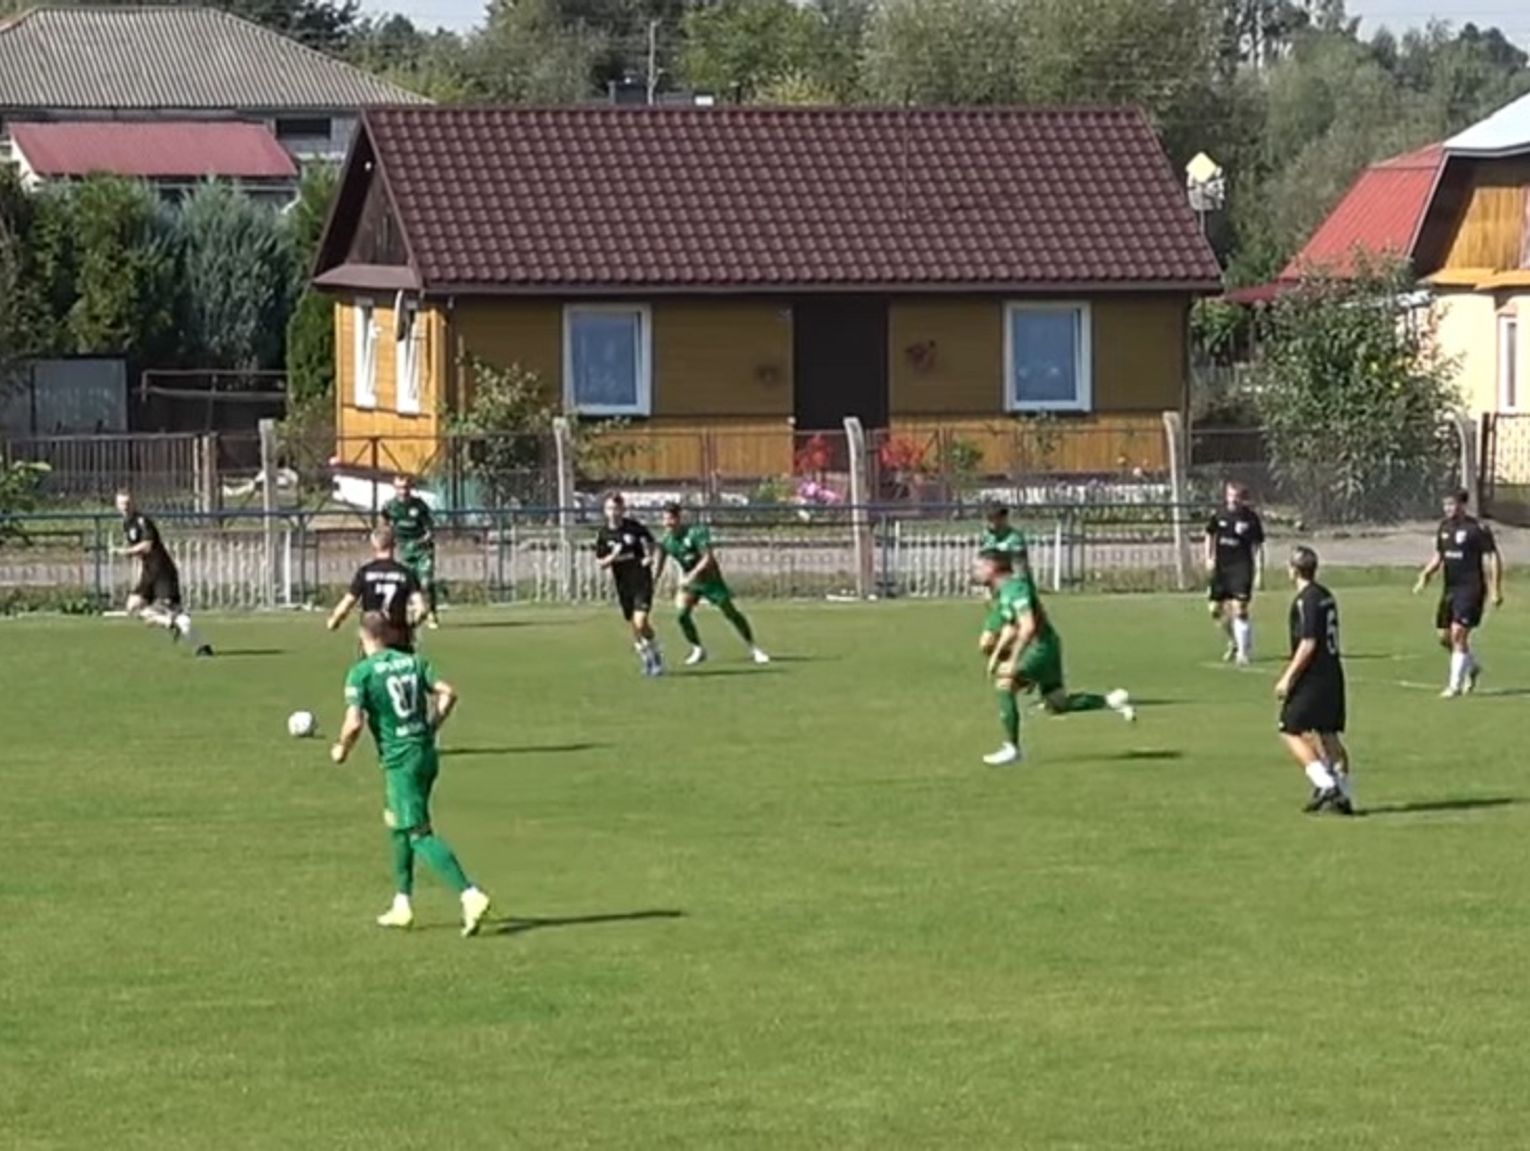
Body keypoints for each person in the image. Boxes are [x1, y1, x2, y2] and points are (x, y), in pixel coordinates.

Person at [331, 611, 492, 936]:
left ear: (363, 636)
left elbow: (354, 723)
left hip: (399, 761)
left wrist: (341, 750)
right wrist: (432, 725)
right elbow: (448, 693)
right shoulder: (414, 662)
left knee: (418, 833)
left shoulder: (361, 673)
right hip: (426, 755)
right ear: (388, 633)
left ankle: (469, 894)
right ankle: (402, 902)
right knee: (398, 822)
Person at [978, 549, 1133, 766]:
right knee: (1057, 704)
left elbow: (1028, 626)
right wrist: (996, 655)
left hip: (1041, 648)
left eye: (979, 566)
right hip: (1047, 645)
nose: (976, 571)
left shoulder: (1017, 588)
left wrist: (1012, 660)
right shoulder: (1005, 592)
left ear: (993, 567)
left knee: (1005, 685)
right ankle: (1110, 701)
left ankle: (1011, 749)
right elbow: (1013, 627)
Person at [1274, 546, 1353, 815]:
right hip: (1333, 673)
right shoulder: (1325, 595)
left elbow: (1308, 643)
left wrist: (1288, 677)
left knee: (1289, 728)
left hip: (1313, 676)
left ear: (1293, 570)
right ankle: (1344, 794)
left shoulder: (1305, 599)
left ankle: (1325, 783)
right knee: (1328, 735)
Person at [1413, 488, 1504, 697]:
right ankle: (1471, 666)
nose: (1448, 509)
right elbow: (1439, 555)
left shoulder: (1477, 529)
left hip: (1471, 588)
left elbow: (1492, 557)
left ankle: (1454, 686)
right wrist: (1425, 575)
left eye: (1452, 504)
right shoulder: (1444, 527)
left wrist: (1495, 589)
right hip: (1450, 588)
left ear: (1463, 505)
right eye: (1445, 505)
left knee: (1458, 633)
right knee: (1444, 637)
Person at [655, 502, 769, 667]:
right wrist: (654, 580)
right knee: (682, 615)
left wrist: (690, 576)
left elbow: (708, 558)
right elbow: (660, 559)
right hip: (691, 583)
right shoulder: (666, 540)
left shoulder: (696, 533)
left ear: (679, 518)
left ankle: (754, 648)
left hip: (710, 580)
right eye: (665, 519)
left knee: (729, 611)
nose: (668, 523)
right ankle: (698, 649)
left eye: (671, 519)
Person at [113, 489, 212, 657]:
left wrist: (125, 551)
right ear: (116, 505)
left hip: (163, 572)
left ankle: (202, 647)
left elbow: (148, 545)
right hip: (149, 572)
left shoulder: (142, 521)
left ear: (134, 503)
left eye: (128, 503)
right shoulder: (126, 524)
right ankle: (167, 622)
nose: (125, 507)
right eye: (122, 504)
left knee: (180, 618)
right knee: (133, 606)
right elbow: (141, 554)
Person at [594, 492, 664, 676]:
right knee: (634, 624)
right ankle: (647, 657)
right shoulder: (603, 534)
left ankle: (655, 655)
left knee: (640, 622)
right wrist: (613, 556)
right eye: (610, 508)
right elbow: (601, 563)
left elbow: (651, 541)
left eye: (617, 508)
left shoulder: (633, 527)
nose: (614, 512)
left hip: (641, 580)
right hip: (623, 584)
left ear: (623, 509)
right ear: (605, 511)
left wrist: (649, 557)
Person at [327, 525, 427, 652]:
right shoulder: (405, 573)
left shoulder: (365, 573)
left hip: (372, 640)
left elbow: (348, 602)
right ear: (394, 544)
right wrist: (411, 626)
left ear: (374, 544)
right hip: (398, 637)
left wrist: (334, 621)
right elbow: (421, 609)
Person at [1205, 482, 1265, 665]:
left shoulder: (1251, 518)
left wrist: (1259, 571)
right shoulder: (1219, 515)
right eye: (1230, 495)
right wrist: (1209, 557)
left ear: (1242, 498)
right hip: (1222, 568)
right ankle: (1233, 640)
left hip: (1242, 567)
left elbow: (1258, 545)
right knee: (1215, 610)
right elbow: (1209, 534)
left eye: (1236, 496)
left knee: (1240, 609)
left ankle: (1243, 652)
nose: (1233, 499)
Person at [381, 475, 440, 629]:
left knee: (426, 583)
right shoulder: (389, 506)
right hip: (403, 551)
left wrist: (421, 541)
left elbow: (430, 530)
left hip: (422, 550)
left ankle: (432, 613)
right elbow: (384, 528)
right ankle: (408, 614)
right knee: (407, 585)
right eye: (399, 488)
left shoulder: (419, 506)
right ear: (395, 488)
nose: (403, 491)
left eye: (406, 487)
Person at [977, 502, 1030, 660]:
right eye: (988, 519)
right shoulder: (987, 537)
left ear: (1004, 518)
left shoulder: (1015, 538)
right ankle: (1016, 663)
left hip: (1013, 594)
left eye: (994, 518)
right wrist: (986, 588)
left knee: (1009, 634)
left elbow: (1020, 571)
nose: (990, 522)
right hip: (997, 595)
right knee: (985, 645)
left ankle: (1019, 663)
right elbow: (985, 562)